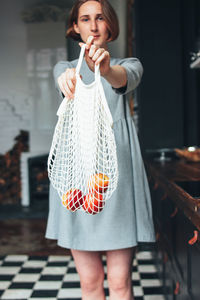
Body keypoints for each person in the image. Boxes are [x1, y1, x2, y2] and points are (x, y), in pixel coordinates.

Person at [46, 1, 155, 299]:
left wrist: (105, 69)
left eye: (100, 18)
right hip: (77, 184)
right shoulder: (65, 68)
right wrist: (67, 80)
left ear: (110, 26)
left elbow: (121, 79)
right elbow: (62, 79)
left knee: (120, 283)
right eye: (85, 19)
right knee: (90, 282)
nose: (93, 26)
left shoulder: (130, 65)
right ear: (75, 27)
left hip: (116, 182)